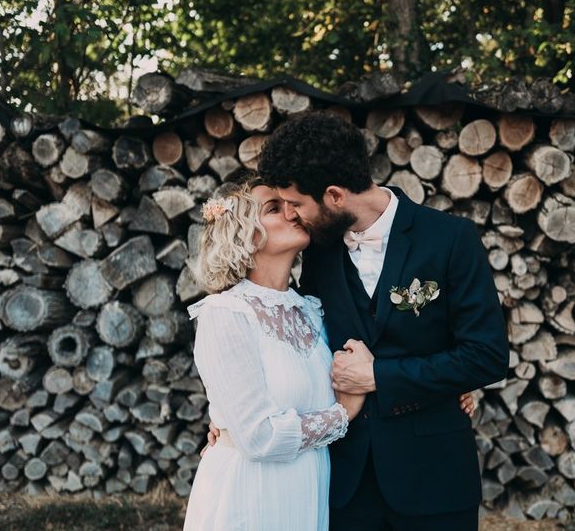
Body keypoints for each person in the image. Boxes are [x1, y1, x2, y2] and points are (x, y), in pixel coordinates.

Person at [256, 112, 510, 531]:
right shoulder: (318, 251)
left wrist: (381, 376)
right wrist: (238, 416)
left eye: (297, 204)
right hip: (343, 484)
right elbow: (299, 344)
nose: (291, 216)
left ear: (335, 195)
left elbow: (486, 356)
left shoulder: (450, 239)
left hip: (435, 481)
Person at [182, 175, 476, 531]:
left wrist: (442, 382)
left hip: (310, 486)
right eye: (275, 208)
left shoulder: (312, 310)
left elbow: (368, 359)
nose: (294, 214)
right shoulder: (226, 313)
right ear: (243, 232)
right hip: (253, 489)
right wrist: (342, 415)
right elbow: (258, 434)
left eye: (292, 205)